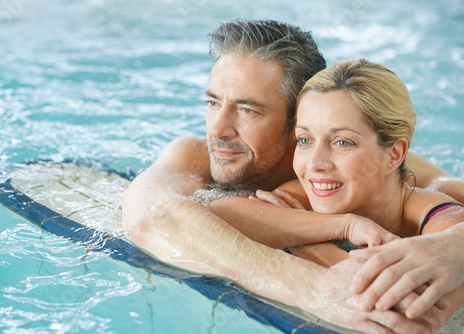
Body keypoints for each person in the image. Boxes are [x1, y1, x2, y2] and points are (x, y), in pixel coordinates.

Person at [122, 18, 464, 333]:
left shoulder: (400, 175)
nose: (218, 129)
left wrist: (453, 246)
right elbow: (156, 216)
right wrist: (316, 284)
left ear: (293, 122)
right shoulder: (193, 156)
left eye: (247, 109)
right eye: (212, 103)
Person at [235, 58, 464, 329]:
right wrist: (345, 226)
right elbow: (223, 213)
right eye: (305, 140)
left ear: (394, 154)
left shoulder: (439, 217)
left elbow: (408, 317)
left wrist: (303, 243)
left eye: (342, 142)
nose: (315, 163)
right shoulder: (307, 193)